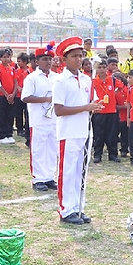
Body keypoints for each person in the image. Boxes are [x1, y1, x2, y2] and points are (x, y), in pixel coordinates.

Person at [53, 36, 104, 225]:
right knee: (67, 172)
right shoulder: (60, 81)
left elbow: (92, 102)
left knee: (79, 172)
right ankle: (66, 210)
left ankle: (78, 207)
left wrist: (95, 105)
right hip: (68, 133)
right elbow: (59, 110)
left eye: (80, 55)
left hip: (84, 132)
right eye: (74, 56)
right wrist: (85, 107)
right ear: (65, 59)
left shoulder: (86, 80)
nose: (78, 59)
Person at [21, 44, 60, 192]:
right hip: (38, 119)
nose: (48, 62)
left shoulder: (57, 77)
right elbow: (26, 97)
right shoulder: (32, 78)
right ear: (37, 61)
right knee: (38, 149)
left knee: (51, 148)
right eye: (44, 59)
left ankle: (49, 176)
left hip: (53, 119)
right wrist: (46, 99)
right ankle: (38, 178)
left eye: (50, 59)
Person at [91, 61, 119, 163]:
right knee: (99, 135)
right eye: (100, 67)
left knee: (112, 135)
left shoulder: (112, 80)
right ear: (96, 69)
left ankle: (113, 155)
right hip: (99, 111)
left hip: (111, 111)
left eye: (104, 67)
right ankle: (97, 155)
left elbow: (122, 87)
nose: (102, 69)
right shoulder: (93, 81)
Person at [0, 47, 18, 144]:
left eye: (8, 57)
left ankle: (9, 134)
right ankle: (2, 135)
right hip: (2, 96)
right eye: (4, 57)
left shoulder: (12, 68)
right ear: (0, 58)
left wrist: (13, 94)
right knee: (2, 115)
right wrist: (6, 95)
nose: (6, 59)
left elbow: (15, 82)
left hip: (12, 96)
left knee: (10, 115)